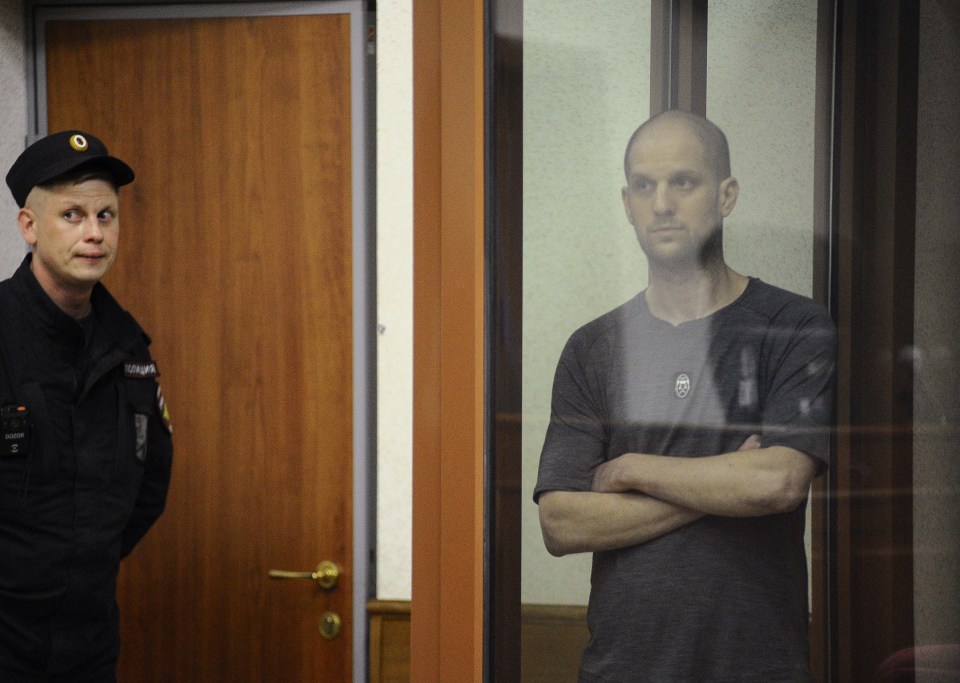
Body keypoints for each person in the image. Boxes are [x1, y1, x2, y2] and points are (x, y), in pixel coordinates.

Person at [534, 110, 836, 682]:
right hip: (624, 669)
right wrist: (721, 487)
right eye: (644, 186)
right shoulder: (592, 348)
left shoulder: (793, 326)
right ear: (627, 204)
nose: (662, 204)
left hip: (757, 667)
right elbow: (562, 523)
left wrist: (631, 468)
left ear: (726, 195)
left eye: (684, 182)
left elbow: (778, 482)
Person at [1, 130, 173, 681]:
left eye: (107, 215)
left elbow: (148, 488)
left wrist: (77, 562)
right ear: (29, 226)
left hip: (89, 646)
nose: (95, 234)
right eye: (72, 215)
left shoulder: (129, 350)